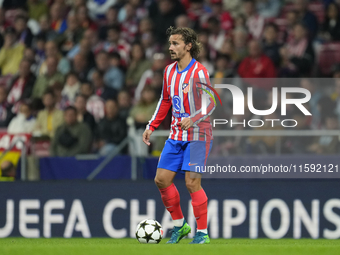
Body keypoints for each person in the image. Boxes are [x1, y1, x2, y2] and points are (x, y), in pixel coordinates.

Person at [143, 26, 216, 244]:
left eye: (175, 43)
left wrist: (193, 118)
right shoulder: (168, 71)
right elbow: (165, 100)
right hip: (176, 136)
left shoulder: (199, 71)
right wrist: (152, 125)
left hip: (198, 135)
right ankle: (180, 226)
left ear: (188, 46)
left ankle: (202, 233)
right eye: (170, 43)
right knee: (161, 180)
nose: (170, 47)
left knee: (192, 183)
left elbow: (211, 102)